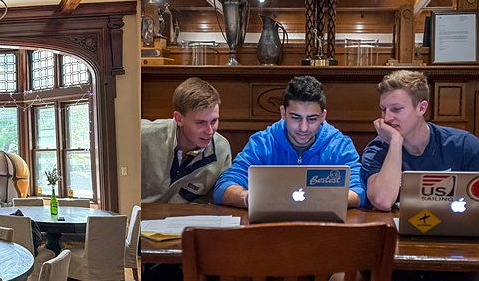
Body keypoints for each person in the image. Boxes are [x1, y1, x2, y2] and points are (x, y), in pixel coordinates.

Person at [213, 75, 364, 208]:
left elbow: (359, 192)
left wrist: (321, 202)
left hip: (324, 226)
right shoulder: (262, 143)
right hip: (272, 226)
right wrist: (248, 198)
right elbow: (223, 187)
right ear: (283, 113)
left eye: (312, 119)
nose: (303, 128)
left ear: (323, 116)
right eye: (295, 118)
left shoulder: (339, 145)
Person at [362, 70, 479, 211]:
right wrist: (395, 142)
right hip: (397, 225)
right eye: (383, 109)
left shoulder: (464, 145)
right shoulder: (377, 150)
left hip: (456, 223)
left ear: (421, 108)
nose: (386, 118)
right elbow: (382, 201)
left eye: (396, 109)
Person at [141, 77, 232, 203]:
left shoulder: (221, 149)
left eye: (214, 121)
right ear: (179, 119)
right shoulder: (142, 136)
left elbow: (216, 199)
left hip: (187, 215)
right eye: (200, 122)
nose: (210, 131)